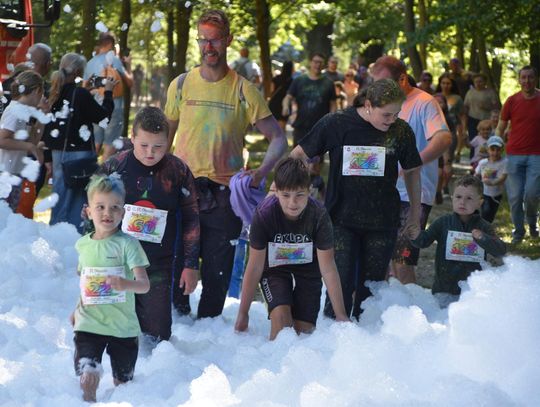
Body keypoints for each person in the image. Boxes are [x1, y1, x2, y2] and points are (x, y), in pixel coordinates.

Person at [164, 10, 287, 319]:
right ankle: (176, 334)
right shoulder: (181, 85)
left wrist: (261, 172)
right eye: (203, 40)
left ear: (228, 40)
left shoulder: (244, 90)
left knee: (216, 279)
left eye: (215, 40)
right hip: (182, 192)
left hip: (224, 197)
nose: (208, 47)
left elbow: (278, 139)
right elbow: (164, 138)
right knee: (176, 276)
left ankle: (210, 335)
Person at [289, 79, 422, 319]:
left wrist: (414, 213)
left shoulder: (401, 131)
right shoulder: (336, 123)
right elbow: (298, 155)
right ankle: (334, 333)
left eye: (397, 114)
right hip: (341, 219)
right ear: (368, 105)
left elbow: (412, 171)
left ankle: (365, 335)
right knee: (340, 285)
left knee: (371, 291)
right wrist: (293, 193)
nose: (392, 120)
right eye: (386, 114)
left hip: (383, 222)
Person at [98, 107, 199, 341]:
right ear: (132, 138)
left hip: (158, 264)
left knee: (157, 336)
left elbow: (192, 219)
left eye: (158, 146)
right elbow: (92, 210)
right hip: (116, 260)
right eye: (143, 145)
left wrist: (191, 264)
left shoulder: (178, 171)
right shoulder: (115, 167)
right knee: (111, 331)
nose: (150, 153)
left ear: (168, 142)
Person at [234, 158, 349, 339]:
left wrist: (341, 314)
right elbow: (255, 266)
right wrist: (243, 313)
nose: (292, 203)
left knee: (304, 334)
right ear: (276, 192)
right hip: (275, 269)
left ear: (309, 191)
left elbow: (328, 267)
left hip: (308, 269)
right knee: (282, 327)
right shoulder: (264, 214)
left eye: (299, 195)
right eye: (286, 195)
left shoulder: (319, 215)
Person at [370, 55, 452, 285]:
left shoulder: (424, 103)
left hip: (412, 195)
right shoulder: (378, 103)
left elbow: (444, 138)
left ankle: (410, 308)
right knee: (379, 261)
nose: (379, 90)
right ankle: (383, 308)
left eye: (385, 83)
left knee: (402, 262)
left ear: (403, 79)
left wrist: (412, 164)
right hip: (381, 192)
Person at [71, 174, 150, 402]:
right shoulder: (83, 245)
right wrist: (76, 309)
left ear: (123, 213)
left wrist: (125, 284)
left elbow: (144, 285)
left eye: (115, 207)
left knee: (123, 386)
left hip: (122, 326)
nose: (108, 213)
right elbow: (85, 283)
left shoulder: (128, 244)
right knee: (88, 375)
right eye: (100, 207)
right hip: (89, 322)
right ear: (88, 211)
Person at [44, 53, 115, 233]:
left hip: (57, 153)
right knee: (78, 202)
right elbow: (104, 118)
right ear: (77, 71)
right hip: (79, 154)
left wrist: (47, 157)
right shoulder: (80, 94)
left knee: (60, 197)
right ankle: (74, 239)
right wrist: (108, 92)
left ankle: (55, 236)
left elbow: (48, 126)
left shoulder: (53, 92)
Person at [410, 174, 506, 306]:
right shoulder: (443, 222)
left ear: (479, 202)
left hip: (472, 291)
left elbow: (500, 250)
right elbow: (424, 241)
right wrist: (415, 235)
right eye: (458, 197)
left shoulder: (484, 226)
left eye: (469, 198)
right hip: (444, 289)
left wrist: (483, 238)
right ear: (452, 198)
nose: (462, 202)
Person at [496, 65, 540, 243]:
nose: (527, 81)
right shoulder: (512, 101)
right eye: (523, 77)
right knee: (515, 197)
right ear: (519, 80)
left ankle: (532, 224)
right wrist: (496, 144)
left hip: (537, 155)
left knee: (531, 194)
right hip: (513, 154)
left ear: (536, 79)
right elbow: (500, 126)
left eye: (530, 77)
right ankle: (519, 232)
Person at [83, 31, 133, 161]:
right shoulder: (114, 61)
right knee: (110, 144)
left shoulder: (90, 63)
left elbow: (84, 88)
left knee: (96, 143)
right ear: (110, 43)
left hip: (95, 107)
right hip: (114, 107)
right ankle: (104, 172)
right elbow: (130, 82)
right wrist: (129, 64)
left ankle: (90, 170)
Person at [0, 70, 45, 211]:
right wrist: (30, 147)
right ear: (37, 91)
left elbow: (33, 141)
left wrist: (43, 115)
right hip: (5, 175)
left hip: (14, 173)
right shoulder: (14, 111)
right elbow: (1, 140)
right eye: (42, 93)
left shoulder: (23, 112)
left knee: (9, 215)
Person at [282, 53, 337, 146]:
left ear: (324, 65)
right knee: (297, 154)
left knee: (317, 154)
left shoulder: (328, 83)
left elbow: (333, 104)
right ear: (310, 62)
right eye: (315, 62)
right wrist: (285, 106)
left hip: (320, 127)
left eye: (320, 62)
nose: (318, 65)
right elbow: (288, 97)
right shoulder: (299, 80)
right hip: (301, 125)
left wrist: (331, 119)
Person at [463, 73, 500, 156]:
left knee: (487, 139)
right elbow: (466, 106)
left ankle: (489, 157)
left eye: (480, 81)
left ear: (485, 82)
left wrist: (487, 106)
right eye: (476, 82)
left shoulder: (490, 92)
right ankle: (473, 159)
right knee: (474, 139)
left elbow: (496, 107)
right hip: (472, 119)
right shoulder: (470, 92)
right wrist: (464, 122)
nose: (478, 83)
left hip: (486, 120)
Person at [475, 135, 507, 223]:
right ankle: (482, 226)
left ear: (502, 150)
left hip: (497, 194)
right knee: (485, 211)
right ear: (488, 150)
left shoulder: (504, 162)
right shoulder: (483, 163)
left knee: (491, 214)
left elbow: (503, 177)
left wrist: (492, 183)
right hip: (484, 193)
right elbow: (477, 174)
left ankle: (486, 226)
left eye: (498, 150)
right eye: (492, 149)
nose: (495, 153)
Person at [435, 72, 466, 163]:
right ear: (440, 84)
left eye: (448, 83)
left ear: (452, 85)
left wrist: (464, 129)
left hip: (452, 129)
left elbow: (462, 115)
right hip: (436, 130)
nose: (445, 86)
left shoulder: (457, 98)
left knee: (448, 156)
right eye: (443, 83)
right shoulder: (435, 96)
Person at [268, 60, 294, 130]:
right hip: (284, 106)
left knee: (273, 129)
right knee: (281, 130)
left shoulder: (276, 78)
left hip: (274, 104)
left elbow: (271, 91)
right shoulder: (292, 81)